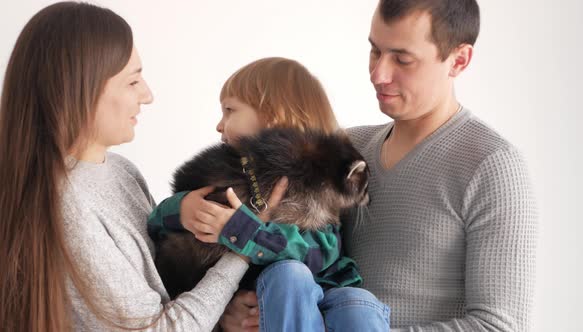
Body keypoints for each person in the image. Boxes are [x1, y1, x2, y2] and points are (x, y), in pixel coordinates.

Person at [222, 0, 538, 331]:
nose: (379, 74)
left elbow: (499, 326)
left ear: (458, 60)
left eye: (403, 59)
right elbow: (292, 253)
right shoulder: (344, 149)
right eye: (375, 52)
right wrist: (234, 310)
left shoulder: (492, 167)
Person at [0, 2, 251, 331]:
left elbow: (161, 290)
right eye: (133, 82)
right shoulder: (66, 205)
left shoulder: (121, 170)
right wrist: (245, 245)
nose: (147, 96)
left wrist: (221, 315)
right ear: (82, 88)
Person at [147, 57, 390, 331]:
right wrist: (181, 209)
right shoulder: (228, 170)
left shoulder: (317, 183)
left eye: (229, 110)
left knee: (357, 303)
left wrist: (245, 231)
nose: (219, 125)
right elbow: (155, 223)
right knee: (289, 276)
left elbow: (319, 254)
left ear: (274, 120)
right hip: (262, 295)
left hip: (319, 297)